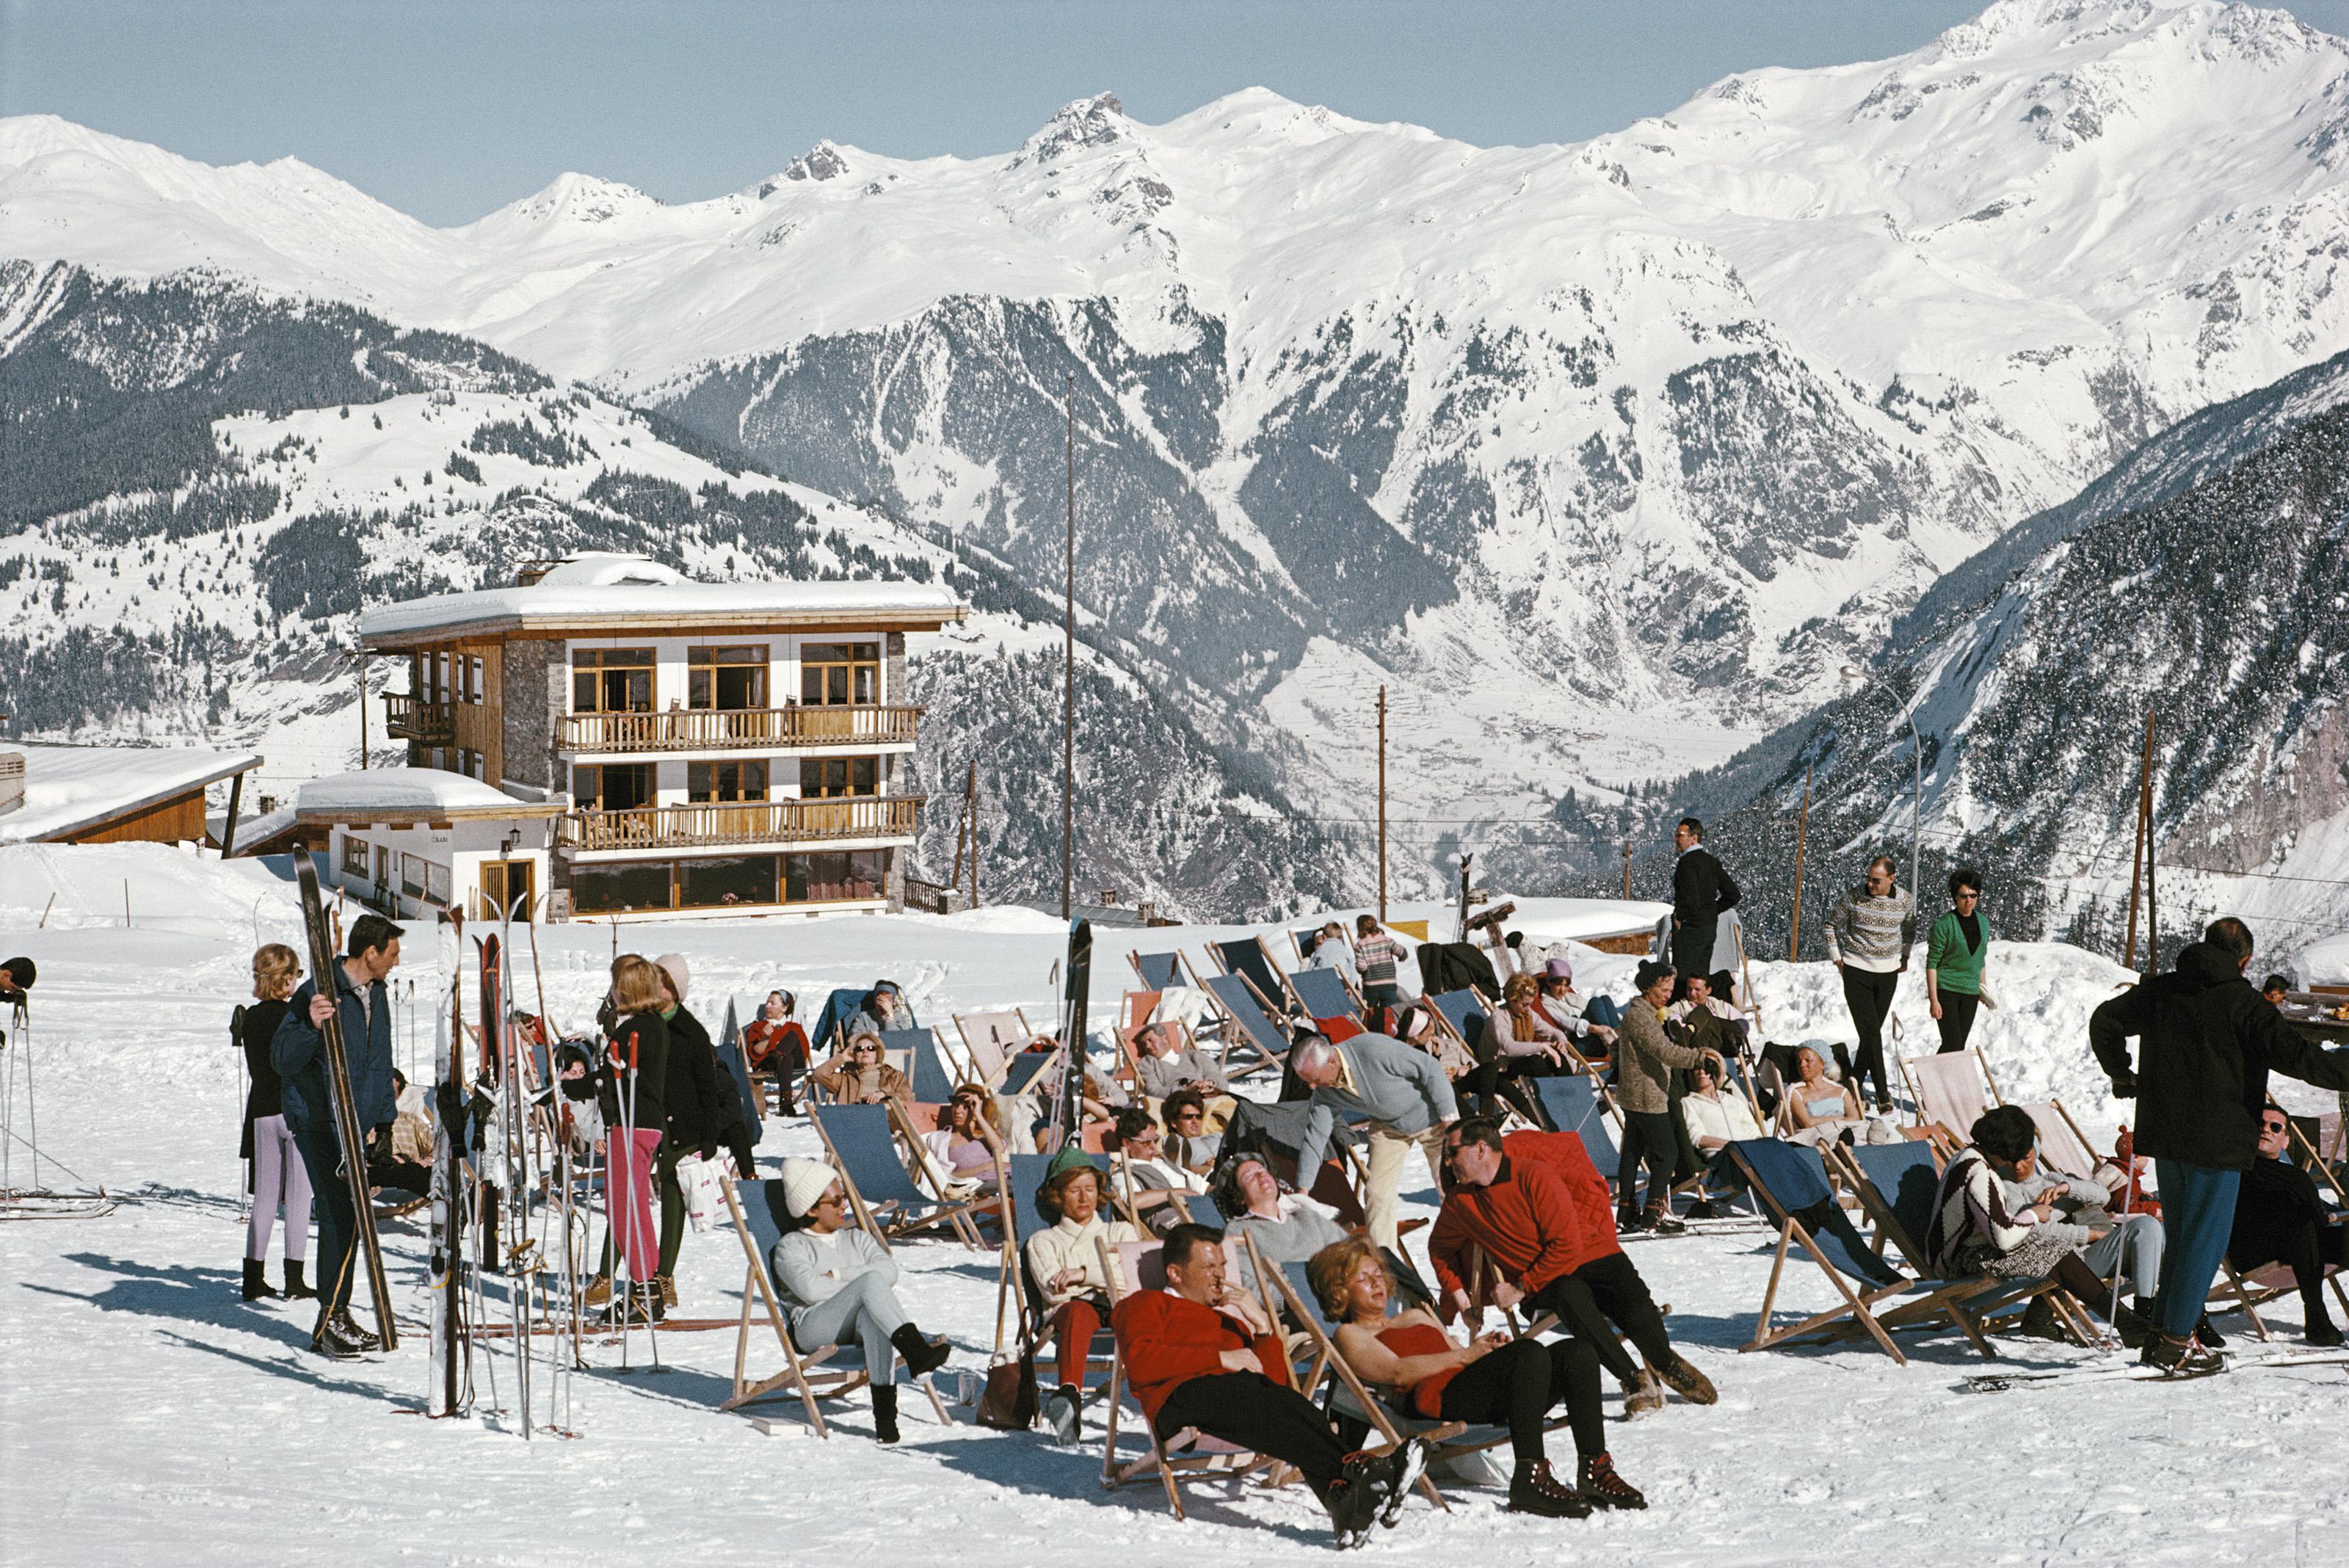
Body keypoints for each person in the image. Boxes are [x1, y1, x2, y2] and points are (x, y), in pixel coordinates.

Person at [2091, 917, 2349, 1373]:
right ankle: (2175, 1342)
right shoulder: (2244, 1004)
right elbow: (2300, 1058)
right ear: (2244, 960)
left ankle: (2165, 1333)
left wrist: (2121, 1074)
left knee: (2185, 1237)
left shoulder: (2161, 991)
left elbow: (2104, 1020)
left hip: (2167, 1138)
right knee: (2204, 1243)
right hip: (2218, 1143)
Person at [1109, 1221, 1426, 1548]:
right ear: (1175, 1274)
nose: (1220, 1275)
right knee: (1252, 1395)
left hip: (1237, 1398)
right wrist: (1221, 1359)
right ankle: (1366, 1471)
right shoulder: (1143, 1304)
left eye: (1222, 1264)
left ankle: (1346, 1504)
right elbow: (1142, 1361)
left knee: (1290, 1406)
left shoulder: (1229, 1321)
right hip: (1179, 1398)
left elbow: (1277, 1388)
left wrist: (1260, 1326)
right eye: (1208, 1267)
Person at [1313, 1236, 1643, 1517]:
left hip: (1470, 1391)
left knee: (1577, 1352)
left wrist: (1486, 1350)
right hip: (1434, 1402)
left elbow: (1460, 1355)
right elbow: (1398, 1372)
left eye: (1377, 1275)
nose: (1376, 1283)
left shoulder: (1414, 1315)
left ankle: (1595, 1470)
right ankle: (1529, 1476)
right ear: (1339, 1291)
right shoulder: (1350, 1335)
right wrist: (1468, 1355)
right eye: (1362, 1279)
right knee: (1528, 1354)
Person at [1430, 1119, 1716, 1421]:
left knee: (1630, 1298)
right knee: (1570, 1293)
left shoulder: (1533, 1175)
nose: (1447, 1163)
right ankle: (1633, 1379)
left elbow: (1566, 1245)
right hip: (1544, 1282)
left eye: (1453, 1153)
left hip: (1586, 1252)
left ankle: (1665, 1362)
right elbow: (1440, 1250)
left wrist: (1519, 1288)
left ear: (1481, 1149)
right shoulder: (1460, 1203)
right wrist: (1463, 1302)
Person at [271, 914, 402, 1358]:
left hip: (354, 1123)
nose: (395, 963)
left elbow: (380, 1059)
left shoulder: (376, 994)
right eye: (392, 954)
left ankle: (338, 1314)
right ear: (371, 953)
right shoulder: (317, 992)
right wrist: (310, 1024)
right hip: (318, 1120)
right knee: (339, 1214)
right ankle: (329, 1322)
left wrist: (384, 1122)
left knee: (353, 1218)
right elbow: (282, 1059)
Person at [1923, 1106, 2160, 1346]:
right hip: (1958, 1263)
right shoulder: (1981, 1174)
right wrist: (2035, 1215)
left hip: (1965, 1252)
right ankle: (2125, 1321)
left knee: (2053, 1251)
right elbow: (2003, 1236)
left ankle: (2125, 1321)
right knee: (2054, 1252)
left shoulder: (1967, 1158)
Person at [771, 1157, 951, 1443]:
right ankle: (917, 1351)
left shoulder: (857, 1239)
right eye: (836, 1200)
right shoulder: (791, 1247)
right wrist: (858, 1283)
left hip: (855, 1323)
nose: (846, 1205)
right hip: (813, 1327)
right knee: (870, 1283)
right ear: (811, 1209)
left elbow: (889, 1271)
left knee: (874, 1317)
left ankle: (885, 1419)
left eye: (844, 1197)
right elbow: (811, 1291)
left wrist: (838, 1274)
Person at [1290, 1030, 1458, 1254]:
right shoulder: (1325, 1092)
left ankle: (1467, 1246)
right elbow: (1315, 1136)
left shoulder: (1373, 1048)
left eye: (1314, 1079)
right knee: (1377, 1193)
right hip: (1389, 1127)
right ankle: (1385, 1260)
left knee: (1451, 1186)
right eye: (1307, 1082)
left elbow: (1431, 1068)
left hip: (1433, 1117)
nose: (1312, 1086)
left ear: (1332, 1061)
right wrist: (1303, 1189)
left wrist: (1449, 1120)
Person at [649, 954, 750, 1310]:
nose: (655, 986)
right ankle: (608, 1275)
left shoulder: (691, 1031)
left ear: (674, 989)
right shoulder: (641, 1025)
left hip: (682, 1128)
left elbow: (710, 1091)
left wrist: (709, 1138)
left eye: (661, 980)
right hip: (645, 1123)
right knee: (626, 1199)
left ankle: (664, 1277)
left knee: (673, 1204)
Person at [1023, 1150, 1142, 1442]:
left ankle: (1166, 1394)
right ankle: (1069, 1398)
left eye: (1090, 1189)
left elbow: (1134, 1278)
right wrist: (1106, 1274)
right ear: (1058, 1196)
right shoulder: (1043, 1241)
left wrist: (1082, 1274)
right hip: (1069, 1314)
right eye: (1074, 1190)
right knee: (1079, 1310)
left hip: (1119, 1308)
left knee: (1147, 1310)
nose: (1083, 1198)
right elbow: (1054, 1289)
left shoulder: (1121, 1231)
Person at [589, 954, 671, 1323]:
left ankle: (641, 1290)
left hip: (631, 1121)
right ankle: (649, 1286)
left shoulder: (634, 1030)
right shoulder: (655, 1025)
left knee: (622, 1209)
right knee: (634, 1206)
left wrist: (578, 1086)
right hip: (645, 1122)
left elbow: (611, 1080)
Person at [1613, 961, 1721, 1234]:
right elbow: (1664, 1051)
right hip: (1646, 1096)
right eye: (1663, 989)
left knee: (1633, 1152)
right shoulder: (1641, 1017)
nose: (1668, 995)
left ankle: (1626, 1212)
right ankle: (1653, 1214)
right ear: (1648, 987)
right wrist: (1699, 1058)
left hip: (1638, 1094)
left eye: (1671, 989)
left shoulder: (1646, 1013)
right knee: (1667, 1153)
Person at [2228, 1107, 2347, 1346]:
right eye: (2260, 1124)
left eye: (2275, 1127)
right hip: (2253, 1252)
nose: (2266, 1130)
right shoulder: (2233, 1172)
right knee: (2300, 1225)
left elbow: (2319, 1220)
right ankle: (2316, 1317)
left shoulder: (2298, 1178)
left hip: (2301, 1249)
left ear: (2286, 1141)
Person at [239, 944, 313, 1302]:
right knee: (299, 1197)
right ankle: (294, 1278)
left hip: (262, 1111)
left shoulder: (251, 1017)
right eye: (295, 975)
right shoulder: (290, 1017)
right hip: (295, 1109)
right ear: (284, 979)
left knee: (265, 1198)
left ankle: (253, 1276)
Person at [1825, 854, 1915, 1112]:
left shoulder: (1906, 900)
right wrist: (1837, 958)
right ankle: (1883, 1092)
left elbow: (1910, 928)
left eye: (1876, 880)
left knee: (1870, 1033)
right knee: (1872, 1032)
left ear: (1891, 879)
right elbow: (1830, 924)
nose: (1871, 884)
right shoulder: (1853, 897)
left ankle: (1853, 1080)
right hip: (1856, 971)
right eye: (1868, 879)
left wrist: (1905, 955)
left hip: (1888, 973)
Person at [1216, 1151, 1348, 1291]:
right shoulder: (1239, 1231)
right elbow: (1247, 1288)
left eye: (1262, 1170)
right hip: (1303, 1302)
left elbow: (1350, 1250)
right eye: (1249, 1176)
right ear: (1239, 1196)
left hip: (1344, 1288)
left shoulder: (1306, 1216)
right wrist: (1294, 1295)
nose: (1261, 1175)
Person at [1669, 818, 1739, 1006]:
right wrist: (1712, 911)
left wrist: (1681, 918)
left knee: (1684, 979)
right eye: (1675, 835)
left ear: (1694, 838)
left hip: (1690, 930)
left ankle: (1682, 1017)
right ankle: (1702, 1013)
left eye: (1680, 836)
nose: (1676, 839)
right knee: (1701, 976)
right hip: (1709, 930)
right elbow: (1733, 895)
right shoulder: (1711, 862)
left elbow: (1689, 898)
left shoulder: (1686, 864)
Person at [1109, 1108, 1211, 1234]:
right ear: (1127, 1143)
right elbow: (1134, 1200)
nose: (1154, 1146)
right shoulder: (1124, 1173)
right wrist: (1177, 1193)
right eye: (1146, 1142)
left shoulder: (1162, 1162)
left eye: (1155, 1140)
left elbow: (1203, 1187)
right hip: (1175, 1225)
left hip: (1201, 1212)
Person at [1925, 868, 1992, 1055]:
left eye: (1973, 895)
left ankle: (1941, 1081)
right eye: (1963, 896)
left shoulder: (1983, 923)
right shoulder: (1945, 924)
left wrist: (1983, 987)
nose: (1968, 900)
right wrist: (1934, 1000)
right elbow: (1932, 964)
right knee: (1952, 1042)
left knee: (1958, 1045)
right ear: (1955, 897)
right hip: (1947, 988)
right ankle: (1933, 1080)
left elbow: (1980, 958)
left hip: (1970, 991)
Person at [923, 1083, 1007, 1191]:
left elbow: (999, 1149)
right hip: (981, 1185)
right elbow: (946, 1176)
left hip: (1006, 1176)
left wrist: (978, 1115)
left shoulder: (987, 1135)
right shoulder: (942, 1139)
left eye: (966, 1106)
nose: (958, 1111)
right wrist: (985, 1167)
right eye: (956, 1104)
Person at [743, 990, 810, 1114]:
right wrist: (765, 1038)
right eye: (767, 1002)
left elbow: (804, 1052)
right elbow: (755, 1053)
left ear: (784, 1008)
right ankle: (786, 1103)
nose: (767, 1006)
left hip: (795, 1066)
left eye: (772, 1003)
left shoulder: (794, 1027)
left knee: (791, 1038)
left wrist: (783, 1049)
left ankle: (781, 1054)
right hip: (768, 1065)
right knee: (785, 1056)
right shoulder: (757, 1027)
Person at [1680, 1056, 1765, 1154]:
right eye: (1697, 1068)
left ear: (1717, 1071)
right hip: (1722, 1155)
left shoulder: (1734, 1101)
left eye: (1707, 1067)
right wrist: (1734, 1146)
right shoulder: (1689, 1103)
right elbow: (1698, 1138)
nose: (1701, 1072)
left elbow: (1753, 1132)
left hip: (1749, 1153)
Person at [1536, 959, 1618, 1060]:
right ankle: (1617, 1045)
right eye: (1558, 984)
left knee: (1605, 999)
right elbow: (1567, 1022)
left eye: (1566, 985)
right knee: (1595, 1002)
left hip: (1593, 1038)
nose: (1563, 990)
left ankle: (1620, 1038)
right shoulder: (1547, 1003)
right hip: (1577, 1042)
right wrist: (1593, 1028)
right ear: (1549, 982)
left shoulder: (1569, 997)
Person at [810, 1032, 915, 1110]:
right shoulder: (845, 1080)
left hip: (886, 1118)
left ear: (877, 1053)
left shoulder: (894, 1075)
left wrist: (884, 1094)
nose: (865, 1051)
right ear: (854, 1055)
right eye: (859, 1049)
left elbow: (908, 1099)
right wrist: (842, 1058)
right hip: (855, 1120)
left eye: (870, 1048)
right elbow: (819, 1074)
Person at [1133, 1020, 1230, 1103]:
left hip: (1210, 1096)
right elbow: (1154, 1091)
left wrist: (1210, 1083)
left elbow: (1219, 1078)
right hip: (1181, 1102)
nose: (1147, 1046)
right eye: (1144, 1044)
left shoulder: (1194, 1056)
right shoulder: (1148, 1063)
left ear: (1165, 1038)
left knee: (1242, 1105)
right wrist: (1185, 1090)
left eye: (1150, 1040)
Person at [1354, 915, 1410, 1012]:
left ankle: (1372, 1027)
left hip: (1370, 987)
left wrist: (1357, 967)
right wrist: (1402, 957)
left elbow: (1362, 967)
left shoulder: (1360, 945)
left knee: (1371, 1013)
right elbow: (1402, 952)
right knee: (1390, 1012)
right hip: (1389, 985)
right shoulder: (1388, 941)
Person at [1161, 1089, 1221, 1175]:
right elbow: (1175, 1171)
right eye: (1188, 1117)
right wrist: (1208, 1168)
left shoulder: (1216, 1136)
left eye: (1198, 1117)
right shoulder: (1174, 1143)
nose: (1195, 1121)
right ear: (1174, 1123)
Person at [846, 980, 907, 1045]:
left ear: (892, 1001)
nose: (883, 1004)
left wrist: (890, 1017)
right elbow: (854, 1037)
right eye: (880, 1000)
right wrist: (871, 1038)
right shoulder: (864, 1017)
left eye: (887, 1001)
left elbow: (898, 1041)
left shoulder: (900, 1017)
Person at [1308, 922, 1359, 989]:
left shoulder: (1320, 949)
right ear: (1341, 937)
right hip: (1342, 983)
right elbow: (1352, 968)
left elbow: (1310, 968)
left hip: (1322, 983)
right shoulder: (1344, 949)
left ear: (1324, 937)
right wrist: (1351, 986)